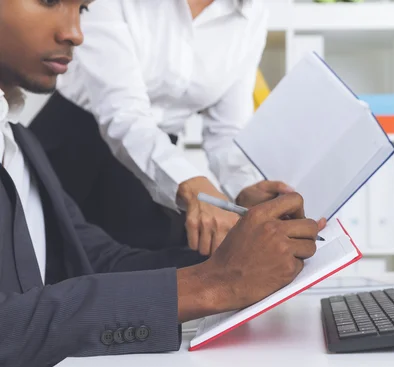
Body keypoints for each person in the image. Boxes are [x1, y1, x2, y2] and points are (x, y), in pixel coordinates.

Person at [0, 0, 321, 367]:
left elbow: (96, 261)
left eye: (82, 8)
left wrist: (247, 253)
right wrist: (213, 281)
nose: (76, 33)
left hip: (160, 160)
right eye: (50, 0)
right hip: (92, 140)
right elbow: (123, 114)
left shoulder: (19, 145)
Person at [29, 0, 295, 256]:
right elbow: (123, 113)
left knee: (158, 277)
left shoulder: (251, 14)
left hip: (155, 173)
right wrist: (191, 185)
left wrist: (243, 188)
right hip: (74, 151)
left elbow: (227, 130)